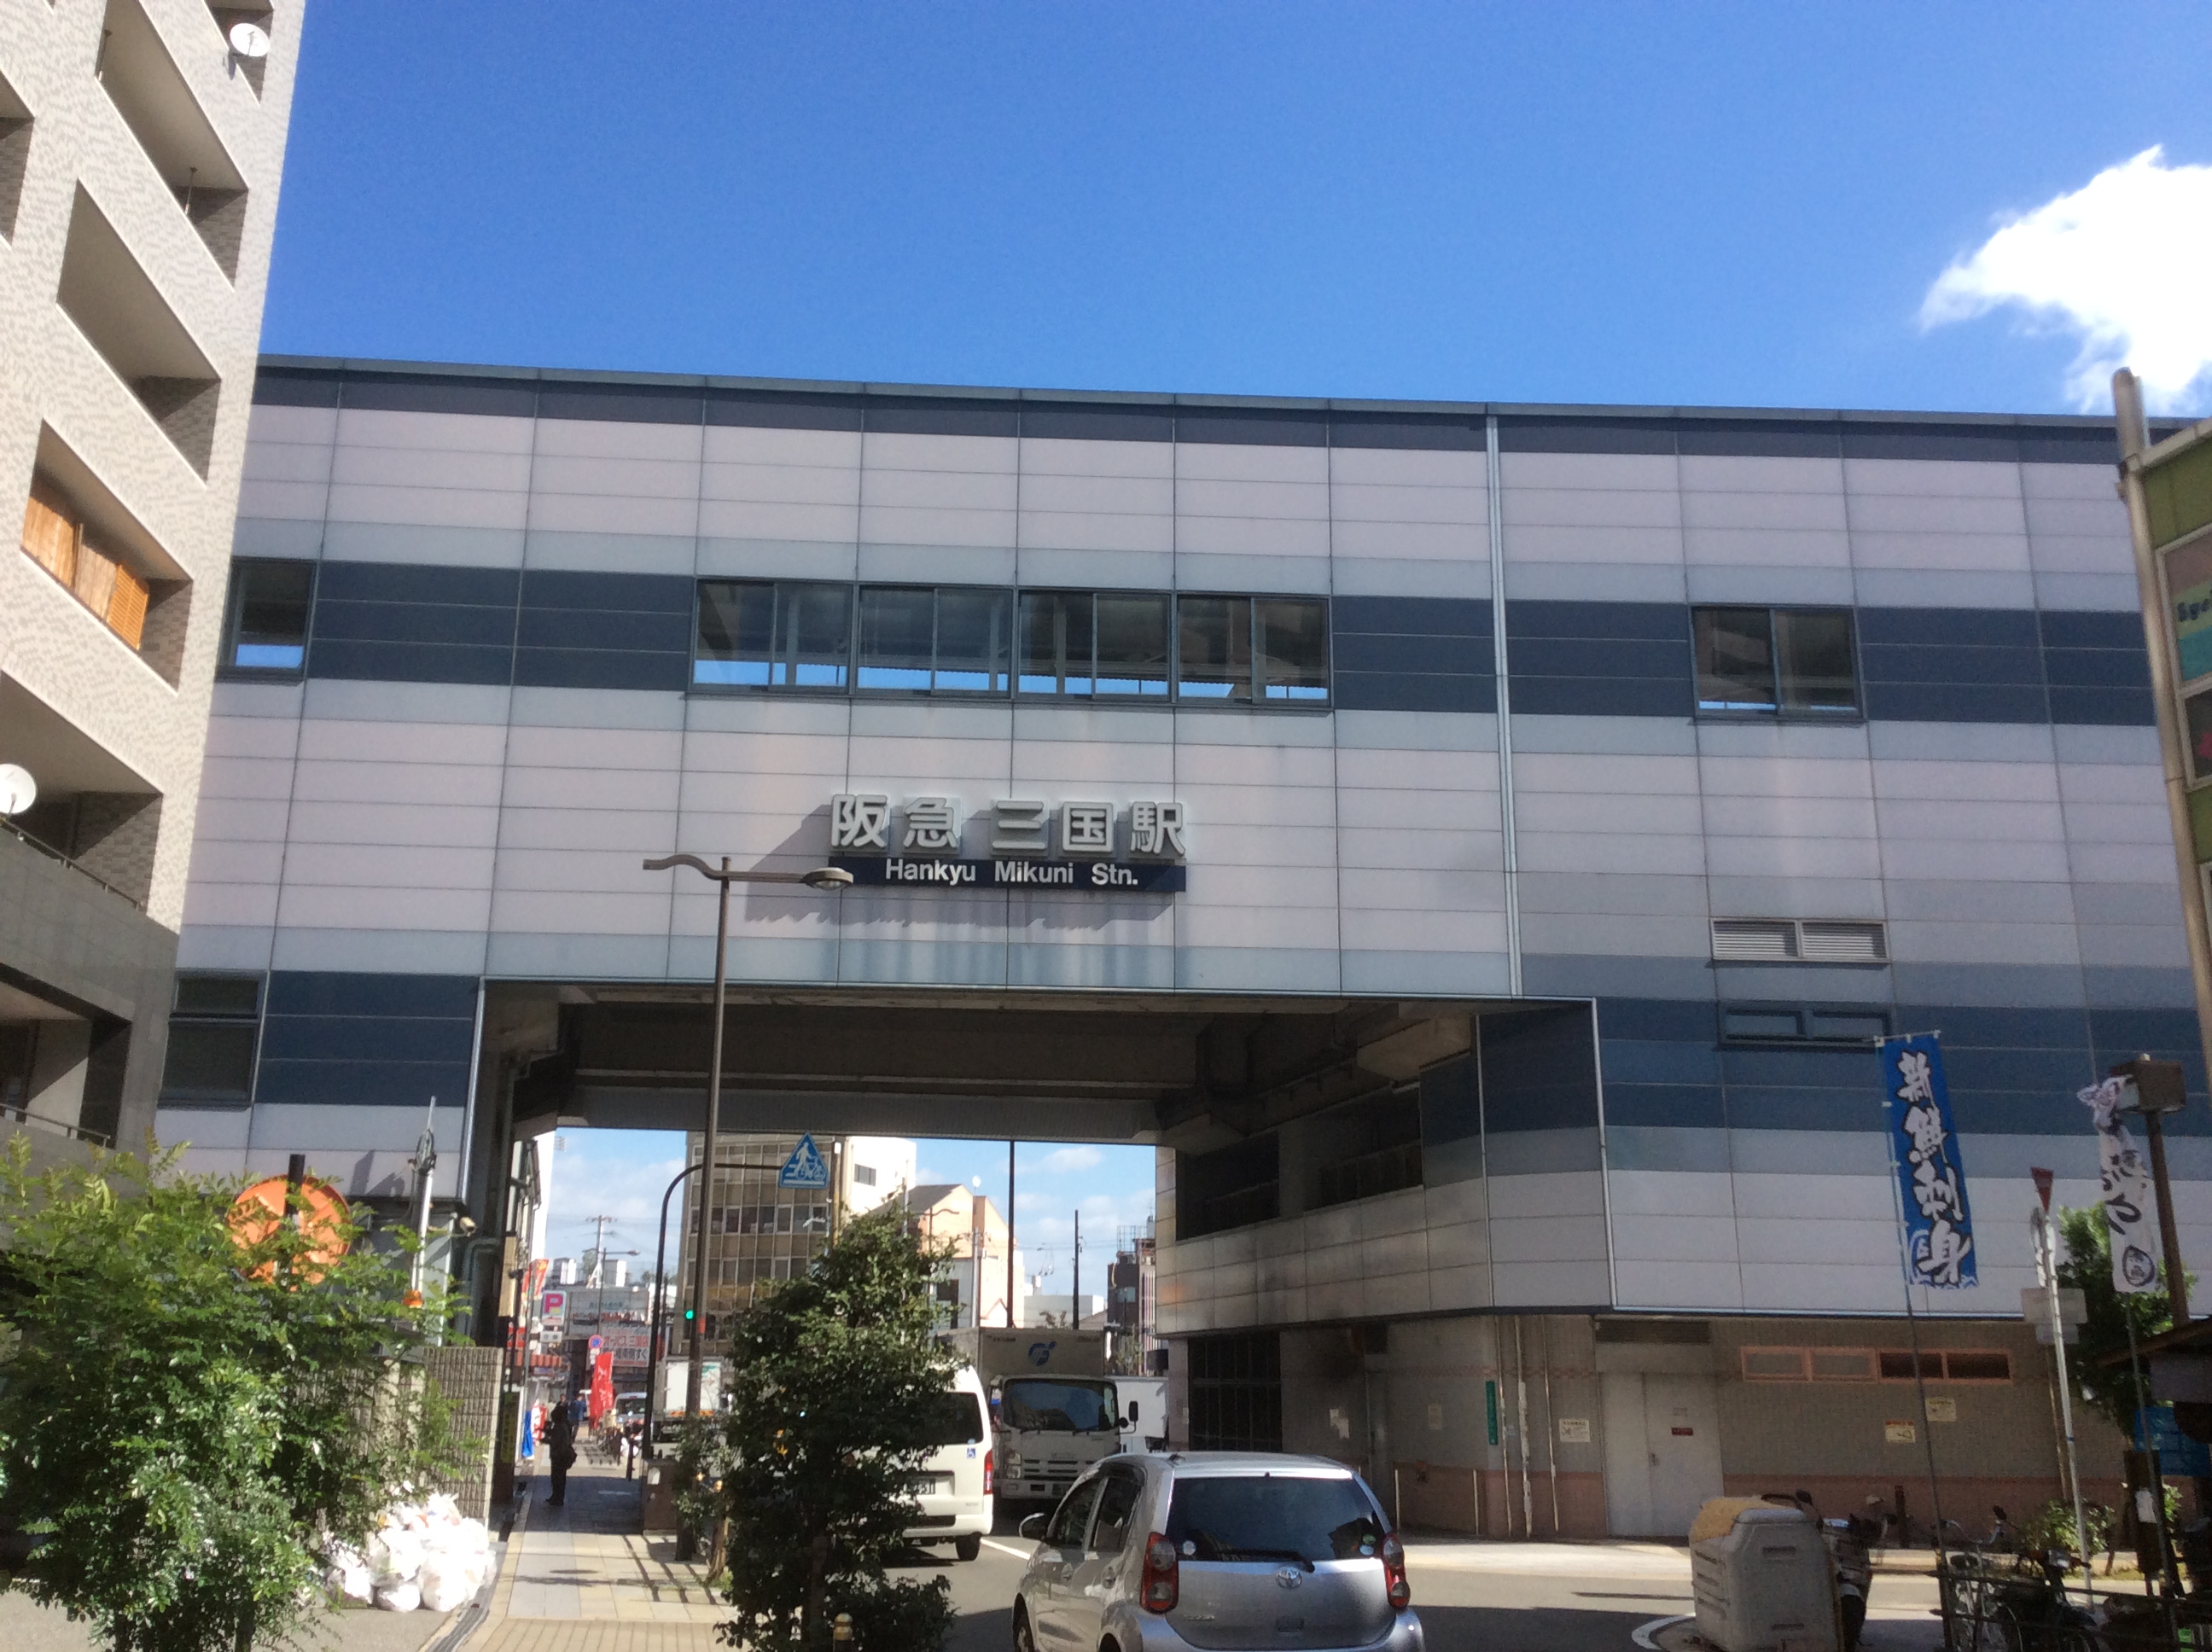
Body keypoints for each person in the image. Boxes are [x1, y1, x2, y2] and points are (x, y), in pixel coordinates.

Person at [546, 1399, 578, 1506]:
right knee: (559, 1478)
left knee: (557, 1478)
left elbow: (556, 1440)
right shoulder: (565, 1425)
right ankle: (557, 1497)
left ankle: (557, 1498)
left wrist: (546, 1439)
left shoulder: (560, 1427)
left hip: (559, 1455)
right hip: (561, 1455)